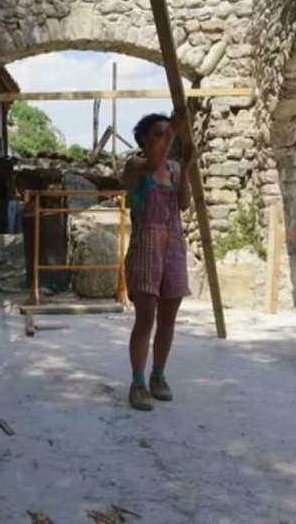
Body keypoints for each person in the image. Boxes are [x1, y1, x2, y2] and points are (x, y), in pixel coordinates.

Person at [120, 111, 195, 411]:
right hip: (146, 248)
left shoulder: (174, 169)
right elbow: (152, 162)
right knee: (146, 318)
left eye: (167, 133)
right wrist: (176, 127)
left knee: (168, 319)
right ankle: (137, 382)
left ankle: (158, 376)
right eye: (158, 134)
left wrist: (187, 167)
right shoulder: (136, 166)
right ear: (143, 140)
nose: (165, 138)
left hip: (173, 247)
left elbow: (184, 203)